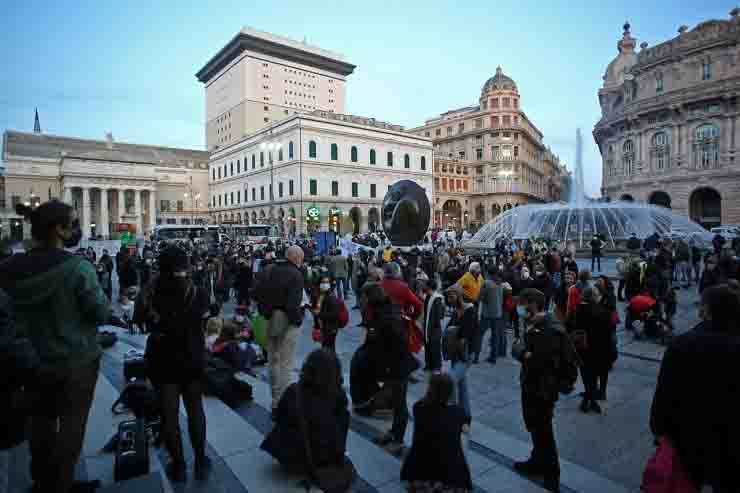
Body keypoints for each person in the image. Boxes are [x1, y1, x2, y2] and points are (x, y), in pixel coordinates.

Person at [0, 201, 109, 493]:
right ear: (58, 230)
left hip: (32, 362)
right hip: (76, 361)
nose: (76, 229)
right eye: (72, 223)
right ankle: (61, 484)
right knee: (71, 428)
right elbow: (99, 312)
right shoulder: (77, 268)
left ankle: (42, 481)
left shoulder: (8, 269)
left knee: (41, 424)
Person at [649, 285, 740, 492]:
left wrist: (659, 428)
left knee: (688, 482)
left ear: (706, 311)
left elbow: (666, 392)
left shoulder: (682, 344)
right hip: (732, 438)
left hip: (690, 435)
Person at [144, 246, 211, 482]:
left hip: (163, 360)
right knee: (195, 410)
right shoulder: (198, 292)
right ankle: (201, 461)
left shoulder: (151, 292)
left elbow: (142, 320)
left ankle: (180, 465)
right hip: (191, 357)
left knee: (169, 415)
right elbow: (205, 317)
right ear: (185, 265)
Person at [514, 288, 572, 493]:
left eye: (523, 303)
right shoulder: (535, 323)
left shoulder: (549, 328)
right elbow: (526, 351)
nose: (520, 308)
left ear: (533, 304)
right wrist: (524, 351)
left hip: (542, 389)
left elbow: (539, 360)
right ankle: (536, 462)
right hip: (532, 384)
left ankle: (551, 476)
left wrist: (522, 352)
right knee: (534, 426)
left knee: (544, 432)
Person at [261, 349, 350, 475]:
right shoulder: (339, 395)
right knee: (343, 416)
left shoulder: (293, 391)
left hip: (292, 459)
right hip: (325, 459)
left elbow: (278, 417)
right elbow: (342, 426)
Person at [362, 283, 416, 456]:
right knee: (395, 400)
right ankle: (393, 432)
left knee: (400, 403)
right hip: (392, 365)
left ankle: (399, 439)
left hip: (398, 366)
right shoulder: (384, 311)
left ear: (371, 297)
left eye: (364, 296)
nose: (362, 299)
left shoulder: (387, 316)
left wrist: (387, 365)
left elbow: (397, 343)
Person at [400, 373, 473, 492]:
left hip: (421, 469)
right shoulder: (458, 412)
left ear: (430, 389)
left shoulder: (419, 408)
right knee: (462, 439)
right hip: (450, 474)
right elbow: (466, 427)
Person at [255, 245, 305, 410]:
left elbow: (256, 292)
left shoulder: (269, 270)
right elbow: (293, 305)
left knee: (272, 359)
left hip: (269, 317)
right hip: (286, 319)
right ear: (296, 258)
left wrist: (266, 312)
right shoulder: (296, 274)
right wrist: (298, 321)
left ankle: (274, 396)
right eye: (301, 258)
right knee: (286, 362)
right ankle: (281, 401)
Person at [569, 287, 611, 414]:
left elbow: (570, 327)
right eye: (597, 294)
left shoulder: (576, 310)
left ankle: (589, 400)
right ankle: (590, 400)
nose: (599, 296)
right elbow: (607, 333)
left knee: (586, 375)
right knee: (594, 375)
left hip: (581, 348)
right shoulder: (602, 311)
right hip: (598, 349)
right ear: (593, 296)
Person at [444, 285, 476, 429]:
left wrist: (454, 332)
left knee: (451, 380)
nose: (450, 300)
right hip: (455, 352)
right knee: (462, 386)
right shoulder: (456, 311)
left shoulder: (470, 310)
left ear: (459, 295)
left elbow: (467, 333)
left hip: (466, 353)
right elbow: (449, 328)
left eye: (452, 297)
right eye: (449, 298)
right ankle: (466, 417)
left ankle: (453, 415)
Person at [478, 269, 504, 364]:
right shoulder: (500, 283)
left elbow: (480, 297)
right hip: (498, 313)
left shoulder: (486, 283)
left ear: (488, 274)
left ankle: (475, 355)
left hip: (487, 313)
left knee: (479, 334)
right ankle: (493, 357)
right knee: (495, 336)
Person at [311, 275, 343, 352]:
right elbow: (315, 311)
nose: (325, 284)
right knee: (325, 347)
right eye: (323, 282)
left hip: (330, 328)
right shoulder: (318, 296)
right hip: (323, 327)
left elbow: (334, 314)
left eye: (327, 282)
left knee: (329, 348)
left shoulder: (331, 297)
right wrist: (316, 326)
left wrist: (319, 314)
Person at [421, 279, 444, 372]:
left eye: (425, 285)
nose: (424, 287)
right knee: (428, 346)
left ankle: (437, 366)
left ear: (429, 287)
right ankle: (429, 364)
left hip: (434, 328)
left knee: (435, 348)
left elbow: (439, 315)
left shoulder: (437, 298)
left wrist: (432, 328)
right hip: (428, 326)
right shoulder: (428, 296)